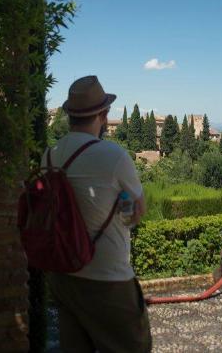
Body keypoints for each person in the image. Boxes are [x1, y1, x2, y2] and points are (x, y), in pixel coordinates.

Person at [44, 75, 152, 353]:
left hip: (62, 276)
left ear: (69, 115)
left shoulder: (50, 155)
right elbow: (137, 213)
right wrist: (122, 209)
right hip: (108, 278)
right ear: (103, 115)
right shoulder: (113, 156)